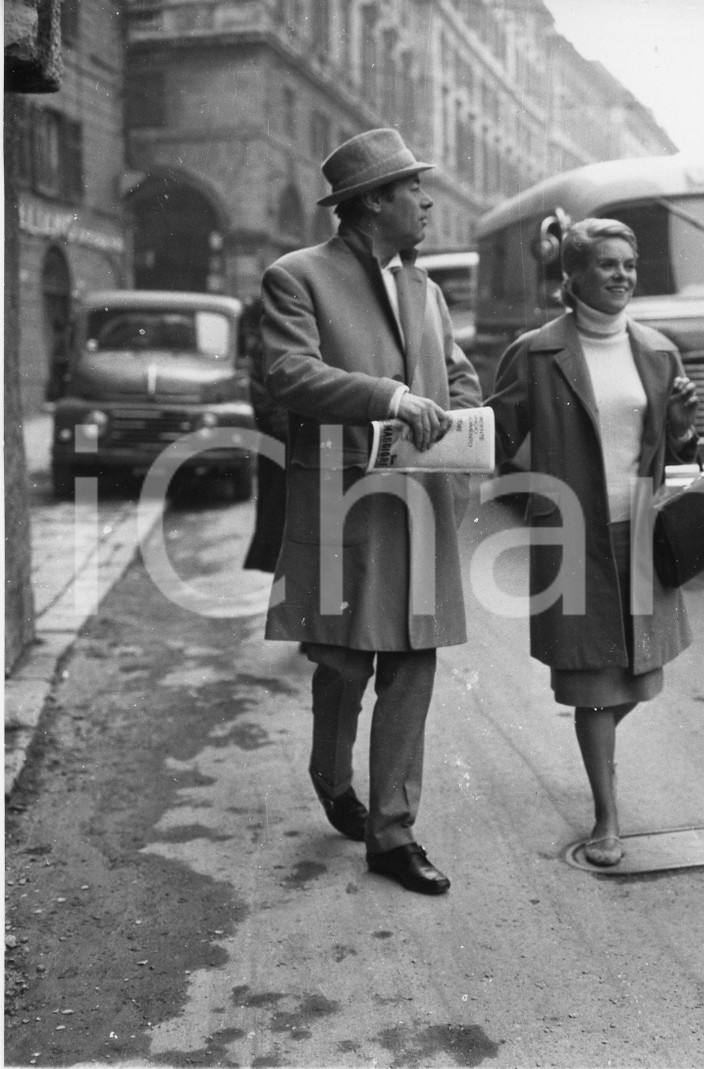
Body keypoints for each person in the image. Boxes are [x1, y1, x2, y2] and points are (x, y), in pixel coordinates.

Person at [259, 128, 482, 894]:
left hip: (418, 505)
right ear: (373, 202)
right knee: (345, 661)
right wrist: (386, 396)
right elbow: (289, 373)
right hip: (343, 502)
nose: (426, 200)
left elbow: (455, 373)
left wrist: (468, 418)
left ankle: (392, 833)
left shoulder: (425, 287)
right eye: (413, 188)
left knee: (413, 662)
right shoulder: (297, 277)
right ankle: (331, 774)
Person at [487, 218, 700, 868]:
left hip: (639, 533)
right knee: (591, 686)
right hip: (575, 539)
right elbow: (497, 441)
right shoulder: (536, 353)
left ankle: (600, 768)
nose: (622, 275)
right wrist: (535, 503)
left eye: (628, 264)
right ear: (572, 275)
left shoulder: (659, 351)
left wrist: (684, 428)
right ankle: (607, 817)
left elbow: (678, 451)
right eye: (606, 264)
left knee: (636, 676)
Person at [240, 297, 288, 574]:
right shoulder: (266, 346)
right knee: (278, 509)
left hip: (278, 435)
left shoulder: (265, 343)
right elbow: (263, 398)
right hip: (280, 437)